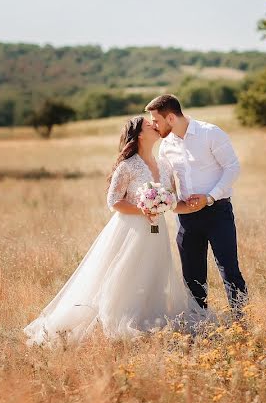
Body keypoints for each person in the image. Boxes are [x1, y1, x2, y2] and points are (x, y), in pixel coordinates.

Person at [24, 115, 211, 346]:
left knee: (154, 272)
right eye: (148, 124)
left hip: (157, 230)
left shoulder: (164, 165)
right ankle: (115, 318)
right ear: (140, 134)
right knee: (125, 273)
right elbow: (113, 201)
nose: (155, 125)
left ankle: (149, 314)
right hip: (130, 230)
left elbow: (171, 201)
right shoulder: (128, 165)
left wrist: (197, 203)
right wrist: (144, 210)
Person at [146, 94, 248, 317]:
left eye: (156, 120)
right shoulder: (166, 146)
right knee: (192, 275)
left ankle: (242, 322)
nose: (153, 125)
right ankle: (199, 322)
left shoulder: (210, 133)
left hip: (217, 212)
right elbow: (166, 182)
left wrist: (209, 197)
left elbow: (232, 167)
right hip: (186, 218)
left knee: (229, 270)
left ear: (170, 117)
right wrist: (159, 199)